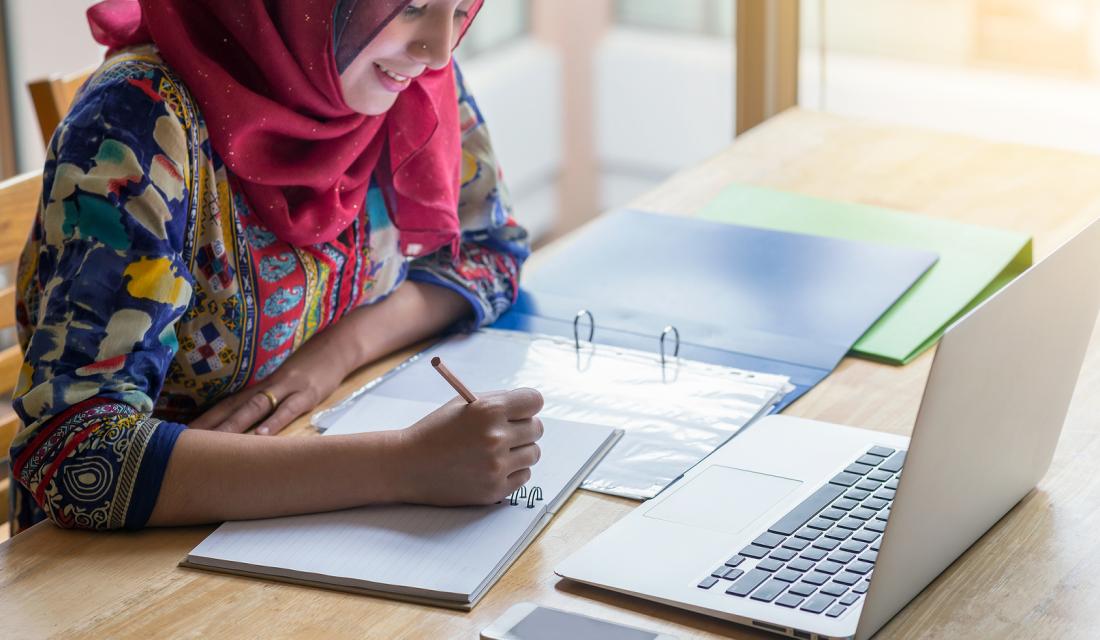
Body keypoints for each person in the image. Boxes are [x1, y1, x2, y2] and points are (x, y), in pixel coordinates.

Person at [8, 0, 543, 535]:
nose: (439, 49)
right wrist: (403, 464)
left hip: (299, 498)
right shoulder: (140, 120)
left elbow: (488, 250)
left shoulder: (405, 82)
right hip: (134, 571)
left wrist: (334, 355)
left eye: (458, 10)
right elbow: (75, 453)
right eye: (413, 7)